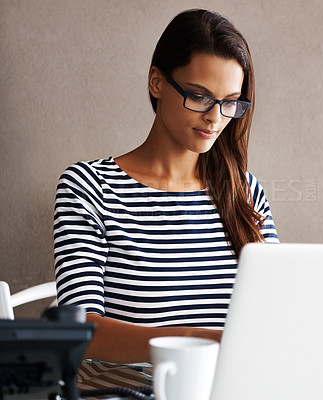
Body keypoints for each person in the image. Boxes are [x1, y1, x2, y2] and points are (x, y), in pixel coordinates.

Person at [54, 8, 279, 389]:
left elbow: (276, 310)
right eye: (199, 96)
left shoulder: (244, 191)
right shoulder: (89, 186)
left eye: (230, 102)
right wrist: (195, 341)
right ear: (157, 82)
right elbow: (82, 331)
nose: (215, 118)